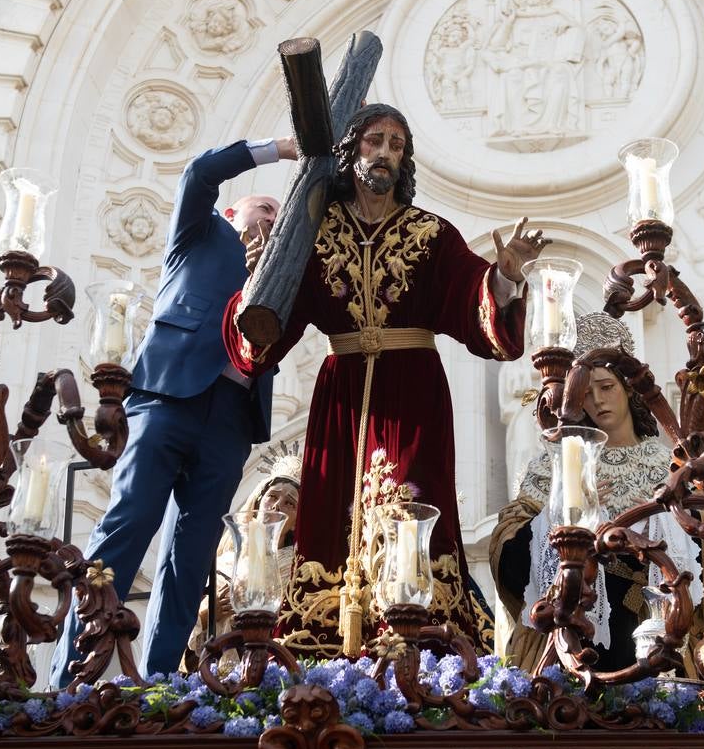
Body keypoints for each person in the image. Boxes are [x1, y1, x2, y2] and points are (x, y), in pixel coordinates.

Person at [224, 103, 547, 657]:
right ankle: (321, 645)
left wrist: (507, 277)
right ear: (353, 150)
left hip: (413, 392)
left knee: (410, 507)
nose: (386, 154)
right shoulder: (314, 234)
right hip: (340, 393)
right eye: (376, 141)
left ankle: (416, 646)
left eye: (397, 146)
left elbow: (474, 304)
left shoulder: (430, 234)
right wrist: (258, 281)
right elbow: (266, 332)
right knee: (330, 516)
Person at [50, 135, 295, 687]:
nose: (270, 220)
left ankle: (159, 681)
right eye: (264, 208)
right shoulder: (200, 234)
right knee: (126, 527)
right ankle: (66, 675)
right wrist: (278, 149)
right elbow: (198, 173)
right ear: (234, 213)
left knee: (191, 557)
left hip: (231, 419)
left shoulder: (283, 272)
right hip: (167, 399)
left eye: (278, 216)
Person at [490, 312, 703, 672]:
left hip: (653, 636)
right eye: (587, 393)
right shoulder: (556, 467)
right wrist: (564, 514)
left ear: (629, 389)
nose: (598, 401)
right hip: (575, 642)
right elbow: (510, 560)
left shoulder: (671, 467)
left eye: (607, 388)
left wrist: (665, 525)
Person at [184, 442, 302, 668]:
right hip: (213, 668)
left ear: (298, 522)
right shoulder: (223, 562)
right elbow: (183, 632)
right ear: (258, 501)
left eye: (290, 503)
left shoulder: (298, 570)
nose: (277, 506)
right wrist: (208, 612)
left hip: (268, 665)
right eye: (272, 496)